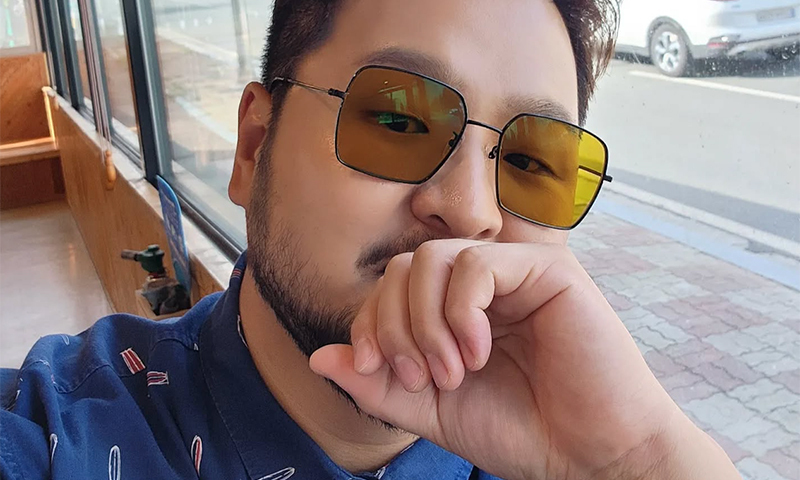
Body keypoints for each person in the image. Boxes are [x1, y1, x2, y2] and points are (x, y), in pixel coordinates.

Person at [0, 1, 743, 478]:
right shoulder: (56, 438)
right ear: (254, 146)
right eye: (398, 119)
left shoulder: (577, 451)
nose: (472, 213)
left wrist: (640, 460)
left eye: (528, 162)